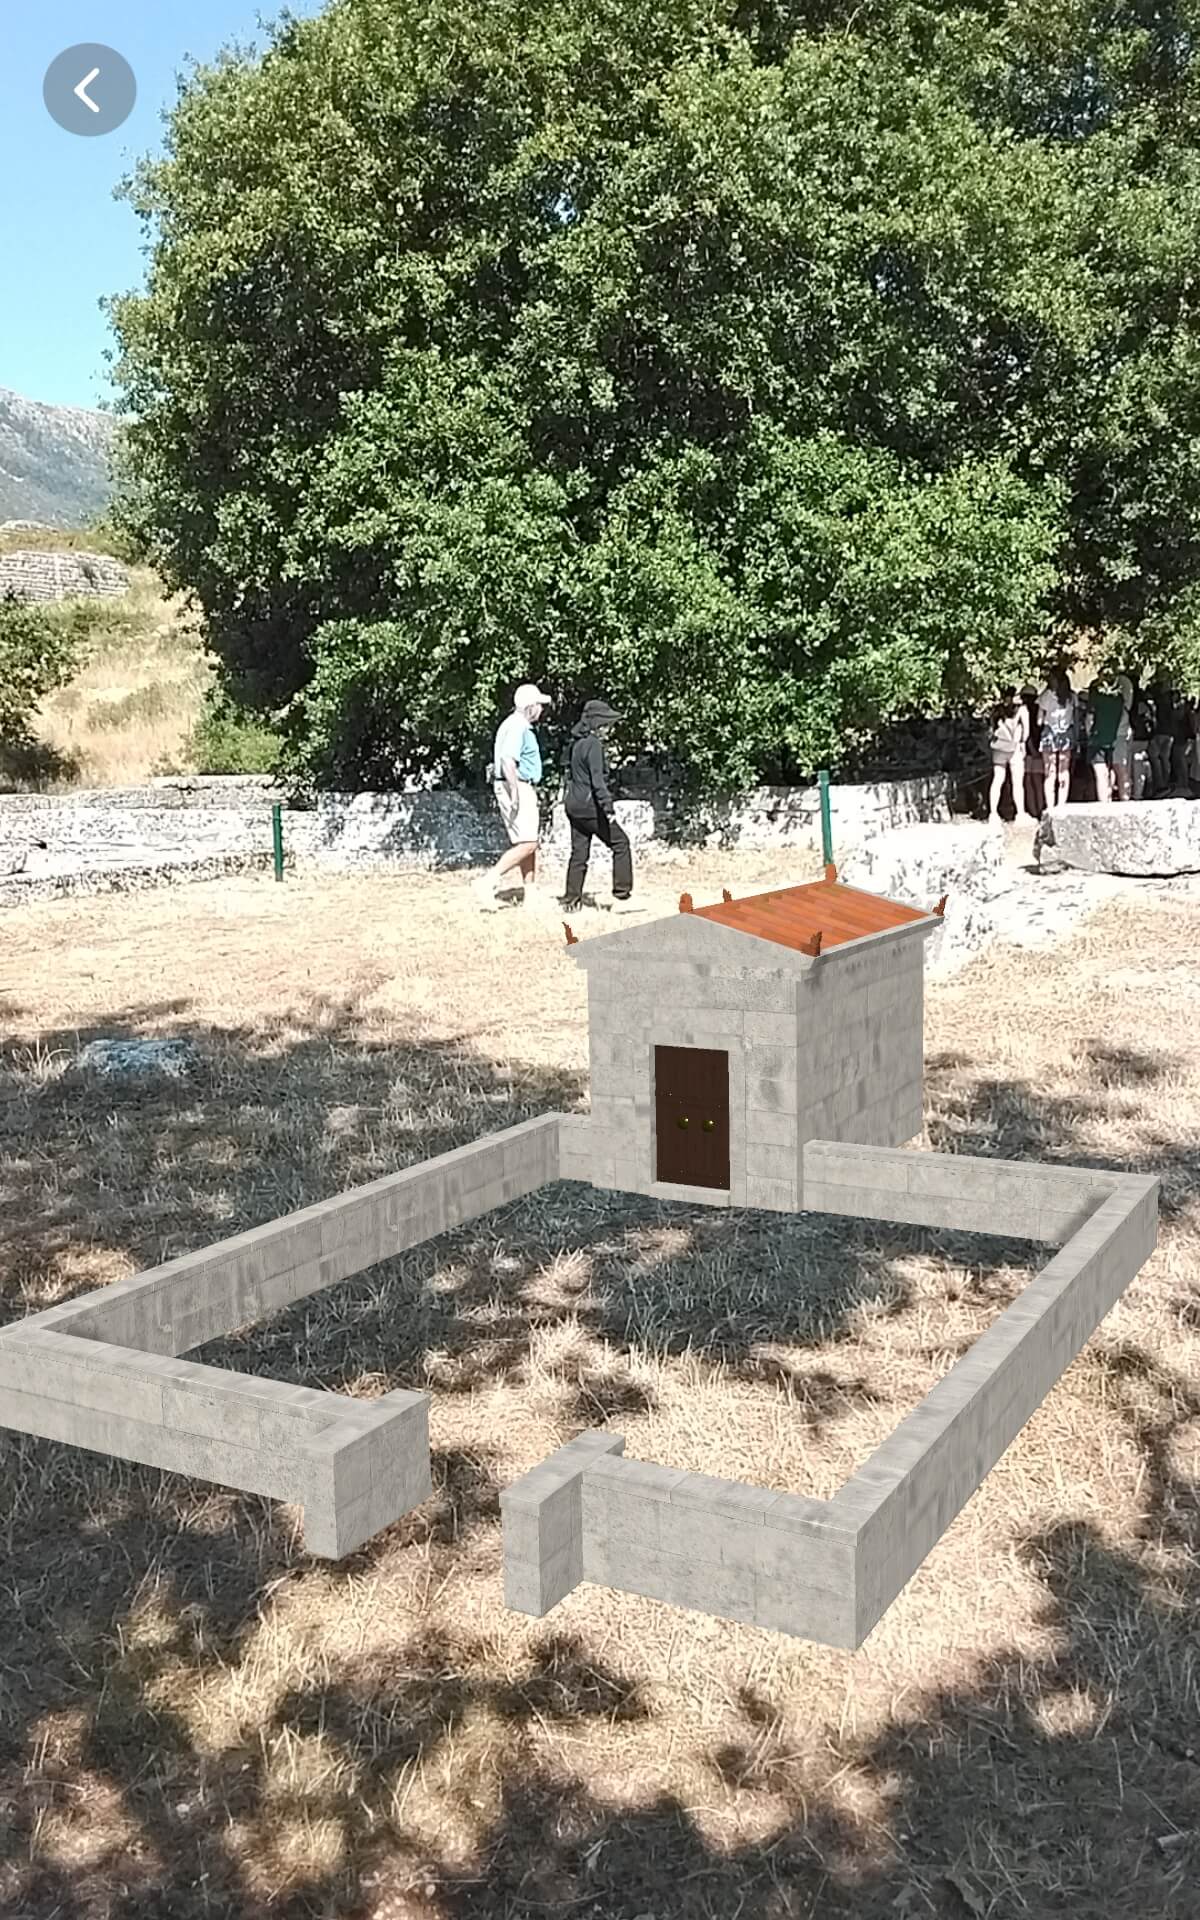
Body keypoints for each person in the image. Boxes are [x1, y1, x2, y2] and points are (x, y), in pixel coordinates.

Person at [472, 682, 553, 912]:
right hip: (517, 785)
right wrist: (515, 792)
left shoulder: (512, 725)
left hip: (514, 785)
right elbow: (508, 760)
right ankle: (488, 881)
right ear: (529, 706)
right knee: (529, 843)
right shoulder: (518, 727)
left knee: (526, 840)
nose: (541, 709)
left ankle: (531, 894)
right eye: (538, 705)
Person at [561, 698, 637, 912]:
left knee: (579, 853)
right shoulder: (593, 745)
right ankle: (621, 897)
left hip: (573, 804)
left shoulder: (576, 744)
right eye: (607, 724)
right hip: (590, 806)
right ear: (598, 723)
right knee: (621, 844)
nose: (608, 728)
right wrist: (608, 808)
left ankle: (571, 900)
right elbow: (597, 781)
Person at [1085, 671, 1133, 802]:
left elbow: (1089, 718)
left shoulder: (1096, 697)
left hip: (1098, 737)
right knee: (1121, 769)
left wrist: (1089, 734)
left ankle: (1104, 805)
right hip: (1119, 734)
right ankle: (1125, 801)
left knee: (1101, 772)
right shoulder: (1120, 698)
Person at [1037, 668, 1078, 811]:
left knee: (1049, 772)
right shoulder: (1072, 697)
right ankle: (1062, 804)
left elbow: (1039, 721)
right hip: (1066, 734)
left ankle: (1050, 806)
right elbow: (1075, 718)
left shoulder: (1046, 696)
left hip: (1049, 733)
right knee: (1064, 771)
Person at [988, 687, 1029, 822]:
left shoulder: (996, 709)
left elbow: (991, 728)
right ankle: (1020, 813)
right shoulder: (1021, 710)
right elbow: (1026, 732)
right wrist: (1022, 743)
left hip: (999, 747)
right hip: (1014, 748)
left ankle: (993, 813)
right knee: (1017, 783)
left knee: (997, 780)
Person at [1020, 686, 1046, 819]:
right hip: (1040, 750)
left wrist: (1031, 748)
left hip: (1027, 751)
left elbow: (1027, 733)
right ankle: (1040, 810)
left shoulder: (1023, 711)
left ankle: (1032, 811)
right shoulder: (1040, 710)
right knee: (1037, 781)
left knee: (1028, 781)